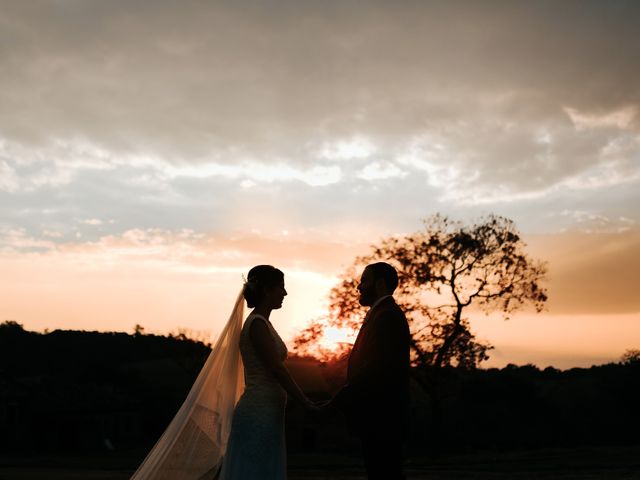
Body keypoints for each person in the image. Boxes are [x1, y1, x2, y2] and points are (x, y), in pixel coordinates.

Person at [219, 265, 318, 480]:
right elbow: (276, 368)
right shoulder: (257, 324)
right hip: (258, 411)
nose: (285, 293)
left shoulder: (264, 323)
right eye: (281, 287)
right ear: (266, 290)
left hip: (269, 411)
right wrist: (304, 401)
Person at [326, 262, 411, 480]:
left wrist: (335, 403)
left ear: (380, 284)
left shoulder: (387, 316)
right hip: (377, 419)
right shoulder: (381, 313)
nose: (359, 287)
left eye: (365, 280)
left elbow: (375, 370)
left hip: (382, 420)